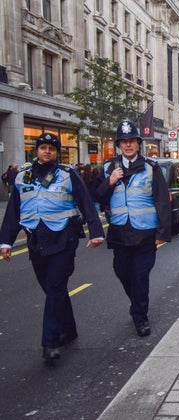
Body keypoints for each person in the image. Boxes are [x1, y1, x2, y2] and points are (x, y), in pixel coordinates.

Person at [0, 133, 105, 361]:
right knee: (51, 289)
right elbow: (12, 213)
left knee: (56, 286)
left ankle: (50, 342)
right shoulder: (21, 177)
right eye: (43, 147)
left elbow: (86, 203)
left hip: (63, 240)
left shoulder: (68, 175)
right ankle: (70, 328)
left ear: (57, 153)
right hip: (36, 241)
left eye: (52, 148)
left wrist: (96, 232)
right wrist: (6, 242)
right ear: (36, 151)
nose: (47, 151)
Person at [95, 120, 171, 338]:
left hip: (145, 233)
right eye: (124, 142)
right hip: (119, 232)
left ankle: (140, 316)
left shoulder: (151, 167)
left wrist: (162, 233)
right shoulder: (109, 167)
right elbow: (98, 196)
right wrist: (109, 182)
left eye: (132, 141)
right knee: (122, 272)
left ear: (138, 143)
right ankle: (136, 303)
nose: (128, 145)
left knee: (140, 276)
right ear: (119, 144)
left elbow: (162, 201)